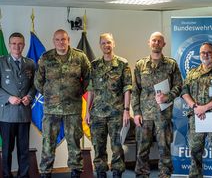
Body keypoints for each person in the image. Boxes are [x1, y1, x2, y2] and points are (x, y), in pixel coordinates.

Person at [34, 29, 91, 178]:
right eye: (58, 39)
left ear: (68, 40)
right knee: (48, 143)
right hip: (51, 110)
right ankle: (46, 173)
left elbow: (88, 79)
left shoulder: (80, 57)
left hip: (73, 108)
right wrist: (50, 95)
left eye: (64, 39)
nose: (61, 42)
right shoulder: (46, 58)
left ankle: (75, 172)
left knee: (74, 143)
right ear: (54, 41)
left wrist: (76, 92)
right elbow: (38, 81)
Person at [132, 32, 182, 178]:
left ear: (163, 44)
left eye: (159, 41)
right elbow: (135, 90)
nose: (156, 43)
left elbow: (179, 86)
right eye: (154, 40)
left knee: (164, 148)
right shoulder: (140, 64)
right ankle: (141, 174)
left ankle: (165, 174)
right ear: (149, 42)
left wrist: (168, 96)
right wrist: (136, 112)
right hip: (144, 115)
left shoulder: (171, 64)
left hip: (163, 114)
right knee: (142, 148)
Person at [181, 42, 212, 177]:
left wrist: (204, 108)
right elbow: (184, 92)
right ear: (199, 54)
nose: (206, 55)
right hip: (196, 117)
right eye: (203, 52)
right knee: (195, 153)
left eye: (209, 52)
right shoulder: (192, 73)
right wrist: (195, 106)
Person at [85, 33, 132, 178]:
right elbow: (91, 91)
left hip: (116, 113)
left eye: (109, 42)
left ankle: (117, 172)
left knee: (117, 147)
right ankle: (101, 173)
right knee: (98, 147)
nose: (107, 45)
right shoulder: (94, 65)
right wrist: (87, 111)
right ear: (100, 45)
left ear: (114, 44)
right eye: (104, 43)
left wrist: (126, 110)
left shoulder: (123, 64)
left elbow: (127, 89)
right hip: (97, 114)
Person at [0, 32, 36, 178]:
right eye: (14, 43)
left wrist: (30, 96)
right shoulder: (1, 62)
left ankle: (23, 175)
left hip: (24, 114)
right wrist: (8, 98)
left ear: (24, 45)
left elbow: (34, 85)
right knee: (7, 150)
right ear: (9, 45)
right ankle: (7, 175)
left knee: (23, 150)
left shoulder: (30, 63)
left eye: (20, 43)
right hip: (7, 114)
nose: (17, 46)